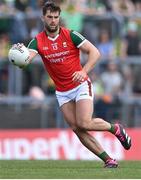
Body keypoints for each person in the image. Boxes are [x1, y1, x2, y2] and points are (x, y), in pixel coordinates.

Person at [13, 1, 131, 168]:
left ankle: (115, 128)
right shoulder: (37, 41)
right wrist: (19, 57)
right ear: (43, 18)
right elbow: (26, 60)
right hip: (62, 91)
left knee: (84, 122)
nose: (53, 20)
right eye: (50, 17)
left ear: (59, 17)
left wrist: (84, 71)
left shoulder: (71, 35)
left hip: (81, 84)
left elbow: (95, 52)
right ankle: (108, 160)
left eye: (56, 17)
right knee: (77, 128)